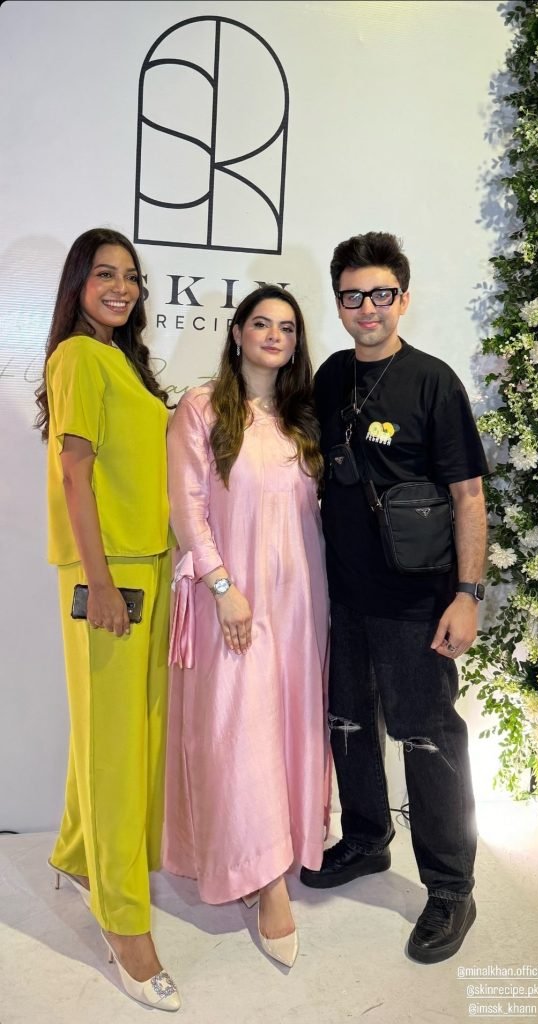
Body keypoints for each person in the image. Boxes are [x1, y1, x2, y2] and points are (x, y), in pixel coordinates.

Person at [300, 232, 488, 965]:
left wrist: (467, 593)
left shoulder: (433, 382)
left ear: (402, 299)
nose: (367, 307)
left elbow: (468, 496)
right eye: (352, 296)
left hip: (417, 601)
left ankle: (450, 886)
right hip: (342, 595)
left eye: (381, 293)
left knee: (426, 737)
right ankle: (366, 839)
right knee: (348, 724)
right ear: (339, 302)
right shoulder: (330, 377)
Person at [163, 284, 330, 969]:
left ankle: (281, 851)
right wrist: (223, 587)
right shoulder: (201, 408)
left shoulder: (304, 417)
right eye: (260, 323)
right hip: (232, 603)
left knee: (287, 728)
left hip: (301, 604)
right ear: (236, 333)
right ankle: (263, 883)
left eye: (286, 327)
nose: (273, 335)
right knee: (240, 737)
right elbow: (187, 507)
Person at [35, 227, 181, 1011]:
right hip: (111, 571)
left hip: (146, 561)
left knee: (118, 734)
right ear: (78, 285)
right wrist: (98, 582)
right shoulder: (76, 357)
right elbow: (74, 471)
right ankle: (124, 921)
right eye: (104, 275)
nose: (121, 287)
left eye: (130, 276)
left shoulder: (116, 357)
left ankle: (74, 851)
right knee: (118, 749)